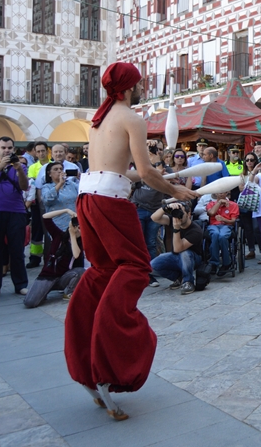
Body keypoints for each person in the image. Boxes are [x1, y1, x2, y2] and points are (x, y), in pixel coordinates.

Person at [63, 62, 196, 421]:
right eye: (138, 84)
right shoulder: (131, 118)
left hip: (88, 199)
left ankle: (89, 364)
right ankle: (111, 351)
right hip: (110, 202)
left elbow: (122, 169)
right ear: (126, 88)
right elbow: (146, 172)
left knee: (103, 271)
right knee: (136, 267)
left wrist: (164, 178)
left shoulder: (100, 118)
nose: (142, 88)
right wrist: (174, 189)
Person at [0, 136, 29, 298]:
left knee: (17, 249)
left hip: (16, 211)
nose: (7, 150)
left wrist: (18, 169)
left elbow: (24, 187)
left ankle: (21, 285)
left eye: (9, 148)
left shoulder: (21, 166)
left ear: (14, 149)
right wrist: (0, 165)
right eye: (3, 148)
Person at [24, 214, 86, 308]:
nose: (79, 230)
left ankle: (68, 293)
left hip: (64, 277)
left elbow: (76, 254)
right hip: (48, 276)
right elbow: (45, 217)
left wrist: (73, 236)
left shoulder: (81, 242)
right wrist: (66, 210)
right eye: (78, 227)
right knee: (30, 303)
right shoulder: (58, 235)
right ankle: (44, 290)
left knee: (80, 271)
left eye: (82, 228)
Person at [150, 201, 204, 293]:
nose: (178, 216)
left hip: (193, 259)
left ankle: (188, 282)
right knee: (151, 266)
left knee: (184, 252)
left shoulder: (196, 230)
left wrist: (176, 229)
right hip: (176, 256)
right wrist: (165, 208)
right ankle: (178, 278)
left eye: (181, 213)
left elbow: (178, 248)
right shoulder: (173, 220)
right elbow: (154, 218)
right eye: (176, 212)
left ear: (188, 214)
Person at [130, 159, 169, 262]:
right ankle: (138, 266)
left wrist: (157, 160)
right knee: (138, 240)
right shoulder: (139, 171)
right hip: (139, 208)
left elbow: (166, 182)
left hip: (155, 211)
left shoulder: (164, 173)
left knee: (151, 242)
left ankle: (150, 269)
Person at [41, 162, 80, 263]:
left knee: (75, 253)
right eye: (56, 169)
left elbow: (82, 193)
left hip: (73, 224)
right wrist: (59, 184)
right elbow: (47, 200)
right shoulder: (47, 187)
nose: (59, 171)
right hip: (57, 224)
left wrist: (80, 178)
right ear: (49, 173)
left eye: (61, 169)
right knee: (59, 252)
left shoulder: (71, 184)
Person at [26, 142, 50, 268]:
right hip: (37, 204)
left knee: (51, 230)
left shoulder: (53, 165)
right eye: (38, 151)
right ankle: (35, 257)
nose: (41, 153)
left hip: (52, 203)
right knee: (36, 231)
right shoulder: (32, 167)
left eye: (43, 151)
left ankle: (50, 256)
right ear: (35, 152)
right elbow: (31, 186)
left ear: (47, 151)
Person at [205, 191, 239, 276]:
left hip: (226, 226)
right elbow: (211, 213)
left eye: (223, 192)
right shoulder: (211, 204)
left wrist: (223, 219)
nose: (220, 193)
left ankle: (226, 263)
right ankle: (214, 263)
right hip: (214, 226)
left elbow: (233, 221)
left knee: (222, 236)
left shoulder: (233, 204)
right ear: (216, 193)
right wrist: (219, 202)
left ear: (226, 193)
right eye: (219, 192)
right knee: (215, 235)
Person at [240, 152, 260, 260]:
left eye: (251, 160)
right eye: (247, 160)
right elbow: (241, 188)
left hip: (257, 202)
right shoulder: (242, 174)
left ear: (255, 161)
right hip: (246, 203)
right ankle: (251, 250)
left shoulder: (260, 172)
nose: (249, 162)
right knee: (248, 228)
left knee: (257, 227)